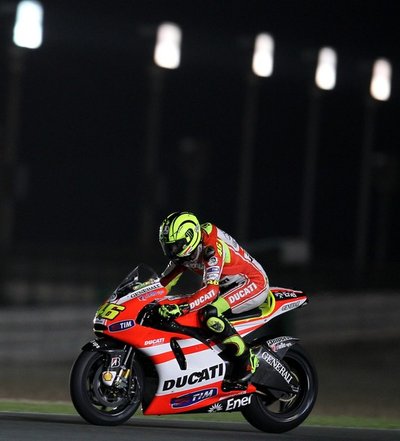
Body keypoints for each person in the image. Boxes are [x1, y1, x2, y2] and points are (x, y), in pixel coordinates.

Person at [158, 211, 270, 384]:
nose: (172, 251)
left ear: (189, 238)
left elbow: (210, 291)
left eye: (175, 245)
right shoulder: (185, 252)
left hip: (252, 282)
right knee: (188, 310)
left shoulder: (211, 247)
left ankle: (246, 360)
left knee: (210, 313)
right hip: (227, 286)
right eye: (168, 246)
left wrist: (183, 308)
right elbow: (164, 283)